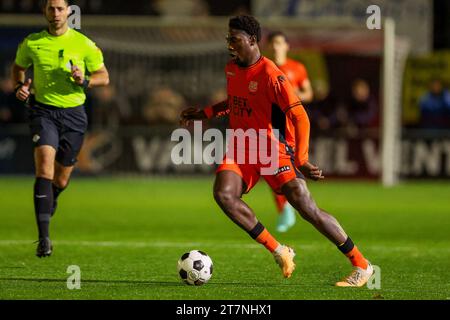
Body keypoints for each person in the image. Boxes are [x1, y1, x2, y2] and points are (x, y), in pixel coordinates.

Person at [180, 15, 373, 286]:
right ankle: (279, 250)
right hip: (242, 147)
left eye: (234, 39)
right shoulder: (232, 68)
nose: (229, 44)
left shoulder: (272, 75)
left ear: (252, 40)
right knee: (224, 195)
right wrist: (206, 113)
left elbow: (301, 117)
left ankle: (361, 265)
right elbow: (234, 102)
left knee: (307, 209)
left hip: (273, 149)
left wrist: (302, 158)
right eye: (228, 38)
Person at [12, 0, 109, 257]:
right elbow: (18, 68)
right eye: (50, 8)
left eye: (59, 8)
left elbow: (104, 76)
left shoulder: (84, 44)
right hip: (43, 112)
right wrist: (19, 87)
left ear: (68, 11)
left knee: (62, 178)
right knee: (44, 165)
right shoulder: (33, 42)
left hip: (75, 115)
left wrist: (84, 79)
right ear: (44, 11)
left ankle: (52, 195)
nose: (55, 13)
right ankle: (44, 238)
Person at [266, 31, 314, 233]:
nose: (276, 47)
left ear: (286, 46)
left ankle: (297, 204)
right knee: (271, 166)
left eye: (279, 42)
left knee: (287, 168)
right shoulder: (265, 67)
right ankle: (285, 208)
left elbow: (308, 93)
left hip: (292, 125)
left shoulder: (297, 68)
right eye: (273, 43)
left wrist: (290, 95)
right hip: (270, 124)